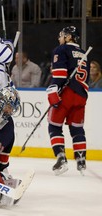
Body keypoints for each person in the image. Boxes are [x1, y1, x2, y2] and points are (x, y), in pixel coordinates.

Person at [46, 26, 90, 176]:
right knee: (77, 129)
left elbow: (59, 75)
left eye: (61, 35)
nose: (59, 39)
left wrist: (53, 90)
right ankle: (81, 160)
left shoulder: (61, 50)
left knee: (54, 127)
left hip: (66, 94)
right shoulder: (84, 53)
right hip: (81, 95)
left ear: (68, 37)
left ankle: (61, 158)